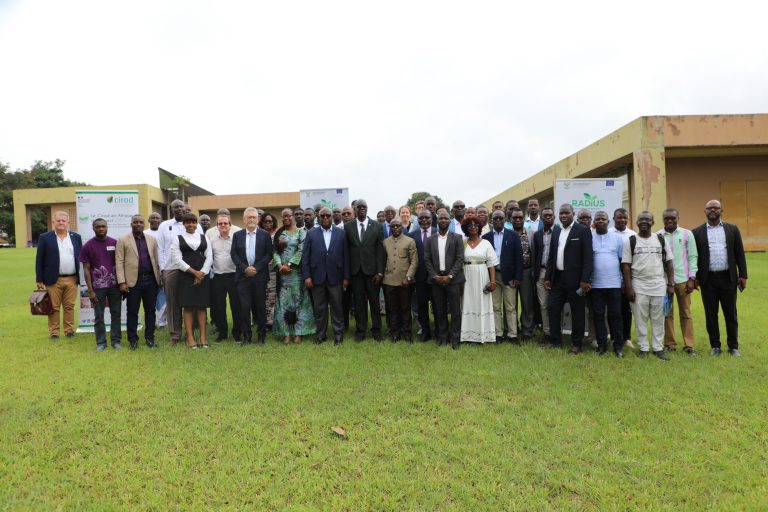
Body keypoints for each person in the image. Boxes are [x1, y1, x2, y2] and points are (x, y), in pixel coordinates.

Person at [692, 199, 747, 356]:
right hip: (707, 279)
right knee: (711, 314)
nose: (713, 210)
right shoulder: (697, 232)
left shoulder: (732, 229)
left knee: (731, 313)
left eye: (716, 208)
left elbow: (739, 253)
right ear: (705, 211)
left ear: (722, 211)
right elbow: (694, 257)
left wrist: (743, 275)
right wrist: (695, 277)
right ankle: (715, 346)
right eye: (710, 208)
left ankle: (733, 346)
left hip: (728, 278)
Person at [621, 211, 674, 360]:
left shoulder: (661, 239)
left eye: (648, 220)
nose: (644, 222)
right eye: (641, 219)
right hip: (638, 285)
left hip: (658, 285)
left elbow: (669, 262)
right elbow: (625, 266)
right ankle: (643, 348)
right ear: (636, 222)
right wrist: (629, 287)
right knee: (640, 319)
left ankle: (658, 348)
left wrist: (670, 284)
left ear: (653, 222)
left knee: (659, 318)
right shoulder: (630, 241)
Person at [544, 204, 593, 355]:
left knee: (577, 311)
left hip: (576, 280)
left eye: (567, 213)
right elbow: (552, 256)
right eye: (561, 213)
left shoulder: (582, 230)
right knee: (552, 307)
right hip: (558, 278)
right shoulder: (557, 231)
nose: (564, 215)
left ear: (573, 214)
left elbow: (588, 257)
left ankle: (576, 344)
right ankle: (555, 340)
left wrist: (585, 279)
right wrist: (547, 277)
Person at [158, 199, 202, 345]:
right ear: (171, 209)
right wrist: (162, 270)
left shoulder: (196, 225)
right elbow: (160, 248)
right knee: (173, 303)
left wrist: (199, 271)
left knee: (192, 301)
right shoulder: (164, 226)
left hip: (192, 270)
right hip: (171, 269)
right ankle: (175, 334)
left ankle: (191, 334)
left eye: (181, 206)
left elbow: (202, 246)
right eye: (175, 207)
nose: (178, 209)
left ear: (185, 208)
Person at [303, 207, 349, 344]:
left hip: (336, 277)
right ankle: (321, 335)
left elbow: (346, 256)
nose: (325, 218)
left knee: (337, 308)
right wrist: (307, 276)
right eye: (322, 216)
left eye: (328, 215)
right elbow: (305, 257)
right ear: (318, 217)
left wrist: (346, 277)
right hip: (317, 278)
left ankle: (338, 335)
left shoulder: (341, 233)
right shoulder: (311, 234)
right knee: (320, 309)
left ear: (332, 217)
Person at [35, 210, 83, 340]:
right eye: (58, 220)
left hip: (72, 278)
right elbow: (39, 259)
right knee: (54, 307)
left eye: (63, 220)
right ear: (53, 222)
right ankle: (54, 333)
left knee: (69, 306)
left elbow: (80, 257)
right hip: (53, 279)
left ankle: (69, 331)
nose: (61, 223)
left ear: (68, 222)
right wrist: (39, 279)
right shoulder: (45, 237)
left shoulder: (76, 237)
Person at [657, 208, 698, 355]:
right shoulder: (658, 235)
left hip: (683, 281)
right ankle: (670, 343)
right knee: (667, 313)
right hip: (664, 282)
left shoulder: (687, 234)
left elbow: (693, 257)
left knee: (686, 313)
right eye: (666, 218)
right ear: (662, 219)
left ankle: (689, 345)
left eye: (672, 218)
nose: (669, 221)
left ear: (678, 218)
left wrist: (692, 278)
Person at [116, 215, 161, 350]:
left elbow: (156, 260)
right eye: (135, 222)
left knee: (150, 310)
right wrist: (122, 282)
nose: (138, 224)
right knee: (132, 311)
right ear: (131, 224)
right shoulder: (123, 240)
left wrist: (159, 278)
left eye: (140, 222)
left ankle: (150, 337)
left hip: (150, 280)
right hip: (132, 282)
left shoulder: (152, 239)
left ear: (143, 224)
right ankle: (133, 339)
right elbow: (119, 262)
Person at [169, 213, 213, 348]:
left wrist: (202, 273)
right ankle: (190, 337)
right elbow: (176, 259)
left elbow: (210, 256)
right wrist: (194, 273)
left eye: (194, 222)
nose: (191, 225)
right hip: (186, 276)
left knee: (201, 307)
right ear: (184, 224)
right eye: (188, 222)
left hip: (203, 276)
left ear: (197, 224)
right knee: (187, 307)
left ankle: (203, 337)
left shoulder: (203, 237)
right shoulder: (177, 238)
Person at [231, 207, 274, 345]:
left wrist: (256, 268)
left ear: (258, 219)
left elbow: (269, 254)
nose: (251, 220)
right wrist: (245, 269)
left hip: (259, 276)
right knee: (244, 308)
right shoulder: (237, 235)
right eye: (248, 217)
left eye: (254, 217)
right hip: (243, 278)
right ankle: (246, 337)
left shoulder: (265, 235)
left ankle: (261, 336)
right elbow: (234, 255)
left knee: (260, 307)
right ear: (244, 220)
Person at [424, 209, 465, 349]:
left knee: (455, 311)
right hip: (436, 280)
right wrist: (435, 276)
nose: (443, 220)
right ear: (437, 220)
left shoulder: (457, 238)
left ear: (449, 220)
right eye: (441, 218)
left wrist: (450, 276)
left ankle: (455, 339)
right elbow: (427, 260)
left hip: (453, 280)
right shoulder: (430, 240)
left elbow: (460, 259)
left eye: (446, 218)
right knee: (439, 310)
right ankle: (443, 338)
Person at [273, 208, 315, 343]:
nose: (286, 218)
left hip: (297, 274)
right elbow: (275, 251)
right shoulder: (280, 233)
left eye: (288, 216)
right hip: (283, 276)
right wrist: (279, 265)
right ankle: (286, 333)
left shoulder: (301, 232)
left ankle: (299, 333)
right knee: (284, 303)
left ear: (293, 217)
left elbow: (302, 250)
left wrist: (289, 264)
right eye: (283, 216)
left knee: (299, 302)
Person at [345, 199, 385, 341]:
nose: (362, 209)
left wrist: (380, 272)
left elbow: (380, 250)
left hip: (373, 273)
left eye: (364, 207)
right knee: (359, 304)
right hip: (356, 273)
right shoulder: (348, 227)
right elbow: (347, 251)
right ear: (354, 209)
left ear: (367, 209)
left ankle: (376, 331)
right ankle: (360, 331)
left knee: (375, 303)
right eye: (359, 207)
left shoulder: (377, 226)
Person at [80, 218, 122, 351]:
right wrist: (90, 290)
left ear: (107, 227)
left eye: (103, 226)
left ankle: (116, 341)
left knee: (116, 313)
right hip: (97, 288)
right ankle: (101, 343)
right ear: (93, 228)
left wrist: (122, 283)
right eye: (98, 227)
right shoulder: (88, 246)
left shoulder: (115, 243)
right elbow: (86, 269)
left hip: (115, 286)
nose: (101, 229)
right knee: (99, 316)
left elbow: (120, 264)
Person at [483, 210, 523, 342]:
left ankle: (512, 334)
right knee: (495, 307)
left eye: (500, 218)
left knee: (510, 307)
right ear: (491, 220)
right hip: (493, 276)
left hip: (510, 277)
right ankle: (498, 334)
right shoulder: (486, 237)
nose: (498, 221)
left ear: (505, 219)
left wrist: (518, 277)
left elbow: (519, 258)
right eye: (495, 219)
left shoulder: (513, 235)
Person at [590, 211, 625, 357]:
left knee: (615, 315)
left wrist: (624, 282)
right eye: (597, 219)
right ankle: (602, 345)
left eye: (603, 219)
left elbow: (623, 261)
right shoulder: (589, 237)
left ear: (608, 221)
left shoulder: (617, 239)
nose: (600, 221)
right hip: (595, 285)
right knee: (598, 315)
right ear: (594, 222)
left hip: (614, 284)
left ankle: (618, 346)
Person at [460, 215, 498, 343]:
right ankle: (468, 336)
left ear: (479, 228)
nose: (473, 227)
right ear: (466, 228)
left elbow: (491, 264)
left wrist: (492, 281)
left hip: (482, 276)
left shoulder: (486, 243)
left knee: (482, 304)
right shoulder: (463, 243)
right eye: (470, 225)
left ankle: (484, 336)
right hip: (467, 277)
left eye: (475, 225)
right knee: (468, 303)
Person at [382, 218, 418, 342]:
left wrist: (408, 277)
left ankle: (407, 333)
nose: (395, 228)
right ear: (390, 228)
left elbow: (414, 261)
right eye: (393, 226)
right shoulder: (385, 242)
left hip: (405, 281)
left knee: (405, 308)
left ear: (402, 227)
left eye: (398, 226)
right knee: (392, 309)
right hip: (389, 281)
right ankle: (394, 333)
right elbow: (383, 260)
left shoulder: (410, 241)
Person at [209, 213, 242, 342]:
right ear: (216, 226)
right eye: (220, 223)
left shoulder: (237, 238)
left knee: (236, 306)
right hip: (218, 277)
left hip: (234, 276)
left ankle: (237, 333)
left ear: (230, 225)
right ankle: (222, 333)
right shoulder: (211, 240)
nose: (223, 225)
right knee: (219, 307)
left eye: (225, 223)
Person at [406, 210, 437, 341]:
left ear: (432, 219)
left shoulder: (438, 232)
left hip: (436, 277)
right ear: (417, 220)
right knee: (422, 305)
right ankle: (425, 331)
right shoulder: (412, 235)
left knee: (437, 306)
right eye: (421, 218)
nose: (424, 220)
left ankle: (440, 331)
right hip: (419, 277)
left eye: (427, 217)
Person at [609, 208, 637, 349]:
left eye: (625, 218)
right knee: (614, 311)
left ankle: (627, 338)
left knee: (627, 310)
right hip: (612, 279)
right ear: (614, 218)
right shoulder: (608, 233)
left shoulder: (633, 234)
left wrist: (628, 281)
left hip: (628, 279)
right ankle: (614, 337)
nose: (622, 220)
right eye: (619, 217)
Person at [511, 209, 536, 341]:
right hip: (511, 274)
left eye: (520, 217)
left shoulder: (531, 233)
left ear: (523, 218)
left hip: (526, 272)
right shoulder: (507, 234)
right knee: (511, 304)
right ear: (511, 219)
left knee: (527, 303)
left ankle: (527, 330)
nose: (518, 220)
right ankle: (512, 329)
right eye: (515, 218)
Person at [532, 207, 555, 344]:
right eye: (545, 215)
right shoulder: (537, 234)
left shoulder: (559, 232)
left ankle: (556, 331)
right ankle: (547, 333)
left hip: (556, 273)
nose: (548, 217)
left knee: (555, 305)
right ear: (542, 217)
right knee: (543, 305)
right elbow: (536, 255)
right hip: (541, 272)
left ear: (554, 217)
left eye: (550, 215)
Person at [144, 212, 166, 328]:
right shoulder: (144, 233)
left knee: (164, 295)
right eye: (153, 217)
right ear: (149, 220)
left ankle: (162, 321)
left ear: (161, 220)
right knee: (152, 297)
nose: (155, 219)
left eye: (158, 217)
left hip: (163, 267)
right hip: (149, 270)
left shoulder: (164, 233)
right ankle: (153, 321)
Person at [260, 212, 279, 328]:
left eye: (270, 221)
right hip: (261, 268)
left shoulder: (278, 234)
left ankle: (272, 321)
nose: (268, 223)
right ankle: (265, 320)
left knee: (272, 295)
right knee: (263, 295)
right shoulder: (259, 234)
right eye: (265, 221)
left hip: (274, 269)